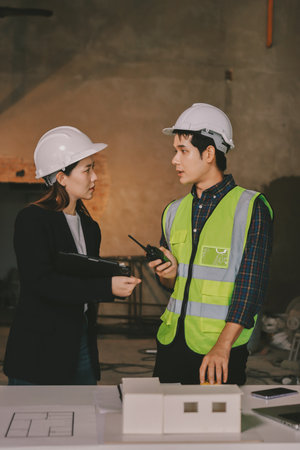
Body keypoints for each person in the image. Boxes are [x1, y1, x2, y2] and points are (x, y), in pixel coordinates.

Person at [4, 126, 141, 385]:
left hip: (81, 340)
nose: (95, 177)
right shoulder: (32, 220)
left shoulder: (90, 227)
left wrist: (115, 279)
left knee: (84, 419)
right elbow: (42, 282)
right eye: (87, 169)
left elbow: (81, 278)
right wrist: (106, 287)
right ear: (61, 177)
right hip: (39, 348)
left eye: (94, 168)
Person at [149, 103, 273, 385]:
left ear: (209, 153)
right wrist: (166, 275)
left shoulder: (250, 207)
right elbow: (174, 286)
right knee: (164, 423)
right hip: (170, 344)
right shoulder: (173, 211)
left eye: (183, 151)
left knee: (213, 427)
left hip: (217, 351)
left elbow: (250, 286)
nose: (174, 160)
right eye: (175, 151)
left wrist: (223, 346)